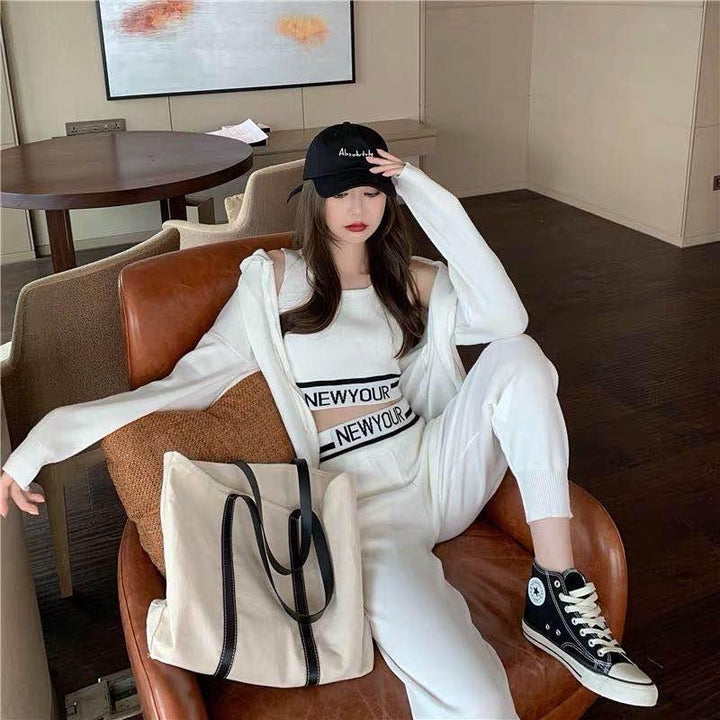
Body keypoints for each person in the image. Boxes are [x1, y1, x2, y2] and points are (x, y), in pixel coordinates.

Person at [1, 122, 657, 718]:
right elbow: (183, 384)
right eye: (341, 192)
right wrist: (40, 443)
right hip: (367, 519)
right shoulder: (275, 282)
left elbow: (507, 318)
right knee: (479, 702)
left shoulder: (409, 280)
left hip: (437, 472)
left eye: (372, 191)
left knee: (520, 356)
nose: (357, 206)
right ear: (315, 198)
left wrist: (421, 186)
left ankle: (556, 591)